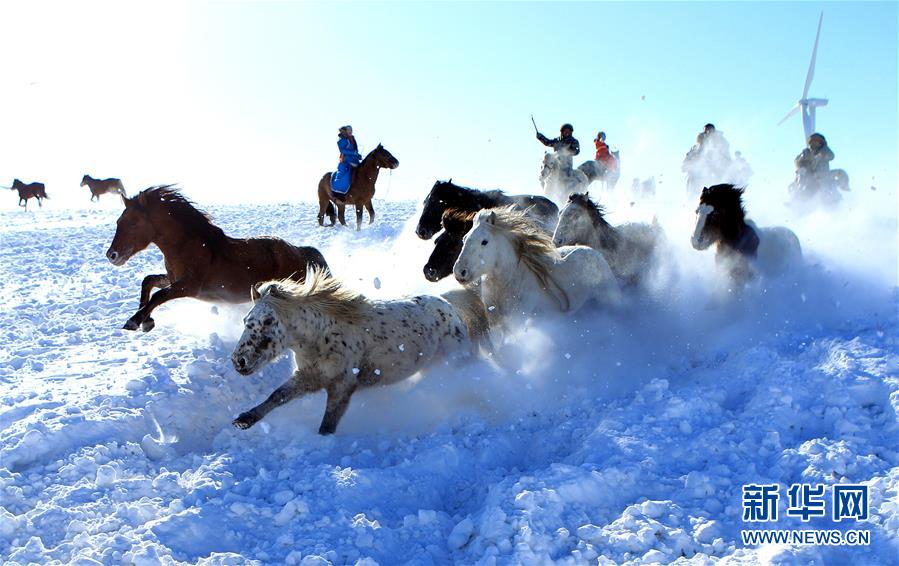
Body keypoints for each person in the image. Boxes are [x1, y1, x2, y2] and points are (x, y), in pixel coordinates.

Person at [331, 125, 362, 199]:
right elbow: (342, 150)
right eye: (349, 130)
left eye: (351, 130)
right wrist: (353, 153)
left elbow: (355, 149)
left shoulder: (352, 139)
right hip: (346, 161)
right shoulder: (342, 139)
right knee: (346, 175)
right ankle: (339, 192)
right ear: (346, 131)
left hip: (355, 160)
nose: (351, 132)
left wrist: (357, 155)